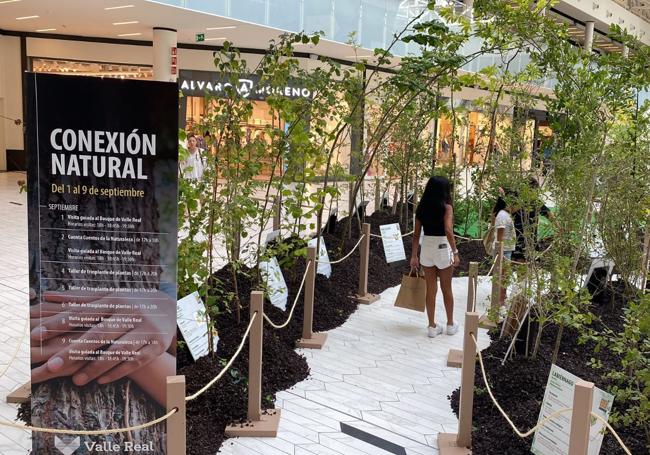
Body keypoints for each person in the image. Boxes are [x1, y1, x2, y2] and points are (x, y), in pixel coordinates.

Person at [410, 176, 460, 338]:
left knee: (431, 289)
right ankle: (450, 324)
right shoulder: (447, 208)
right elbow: (448, 230)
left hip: (426, 249)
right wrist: (455, 252)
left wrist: (414, 256)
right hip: (443, 248)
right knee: (447, 289)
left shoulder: (421, 208)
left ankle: (432, 326)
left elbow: (416, 235)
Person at [512, 178, 552, 260]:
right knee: (516, 261)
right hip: (516, 237)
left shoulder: (536, 202)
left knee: (525, 263)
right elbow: (510, 211)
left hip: (530, 239)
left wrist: (559, 227)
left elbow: (549, 214)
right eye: (532, 190)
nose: (534, 192)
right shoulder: (517, 201)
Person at [492, 190, 517, 260]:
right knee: (502, 270)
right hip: (503, 251)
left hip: (506, 249)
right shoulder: (503, 215)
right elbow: (500, 236)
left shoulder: (507, 214)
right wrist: (500, 252)